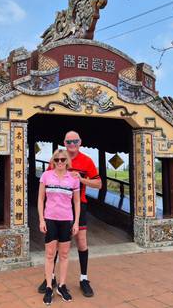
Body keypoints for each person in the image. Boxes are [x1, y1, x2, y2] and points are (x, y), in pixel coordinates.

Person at [38, 131, 101, 297]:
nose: (72, 144)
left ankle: (84, 278)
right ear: (64, 143)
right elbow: (48, 180)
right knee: (55, 241)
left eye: (75, 141)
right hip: (57, 207)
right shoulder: (59, 158)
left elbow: (99, 184)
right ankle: (50, 277)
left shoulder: (86, 161)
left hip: (78, 204)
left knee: (81, 240)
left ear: (80, 142)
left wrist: (81, 179)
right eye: (69, 141)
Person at [38, 149, 80, 305]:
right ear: (53, 161)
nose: (60, 162)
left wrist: (75, 222)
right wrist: (42, 220)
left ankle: (61, 285)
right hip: (50, 219)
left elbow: (76, 202)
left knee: (64, 254)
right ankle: (49, 286)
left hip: (66, 219)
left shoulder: (73, 178)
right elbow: (40, 199)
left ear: (67, 161)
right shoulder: (46, 176)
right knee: (50, 254)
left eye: (63, 159)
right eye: (57, 160)